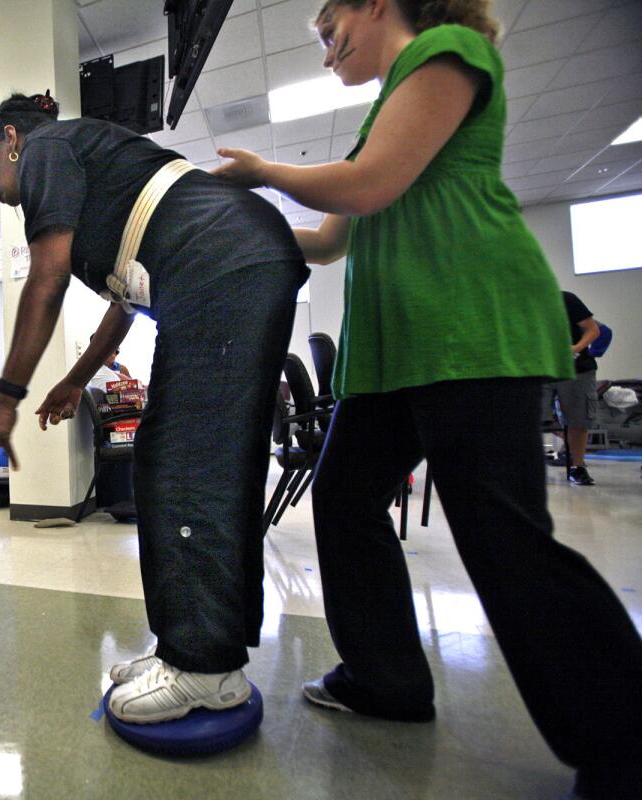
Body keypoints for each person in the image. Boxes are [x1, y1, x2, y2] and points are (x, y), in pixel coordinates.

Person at [211, 1, 642, 795]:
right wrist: (229, 225)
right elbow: (332, 237)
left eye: (328, 23)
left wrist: (264, 170)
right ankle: (388, 682)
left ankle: (628, 739)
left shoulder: (445, 49)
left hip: (470, 328)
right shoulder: (381, 113)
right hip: (394, 353)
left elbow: (369, 188)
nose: (325, 45)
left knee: (503, 537)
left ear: (375, 3)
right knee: (343, 501)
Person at [0, 92, 307, 725]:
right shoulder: (93, 166)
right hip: (226, 263)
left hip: (220, 264)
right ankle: (192, 648)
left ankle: (206, 668)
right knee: (180, 459)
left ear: (10, 140)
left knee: (186, 465)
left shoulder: (46, 149)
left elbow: (47, 277)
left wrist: (5, 403)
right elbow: (125, 298)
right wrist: (73, 380)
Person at [543, 291, 601, 485]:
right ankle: (529, 467)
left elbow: (593, 330)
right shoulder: (518, 303)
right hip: (541, 368)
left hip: (576, 368)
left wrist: (575, 348)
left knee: (578, 419)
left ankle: (578, 467)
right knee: (531, 417)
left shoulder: (566, 299)